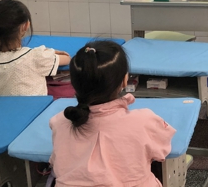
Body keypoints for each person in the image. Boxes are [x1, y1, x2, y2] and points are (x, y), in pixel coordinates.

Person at [50, 41, 176, 187]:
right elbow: (163, 149)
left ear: (72, 83)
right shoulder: (144, 121)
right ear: (125, 80)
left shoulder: (59, 122)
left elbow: (55, 162)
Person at [0, 0, 70, 96]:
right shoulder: (36, 57)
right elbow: (67, 58)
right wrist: (49, 52)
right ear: (25, 26)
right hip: (36, 106)